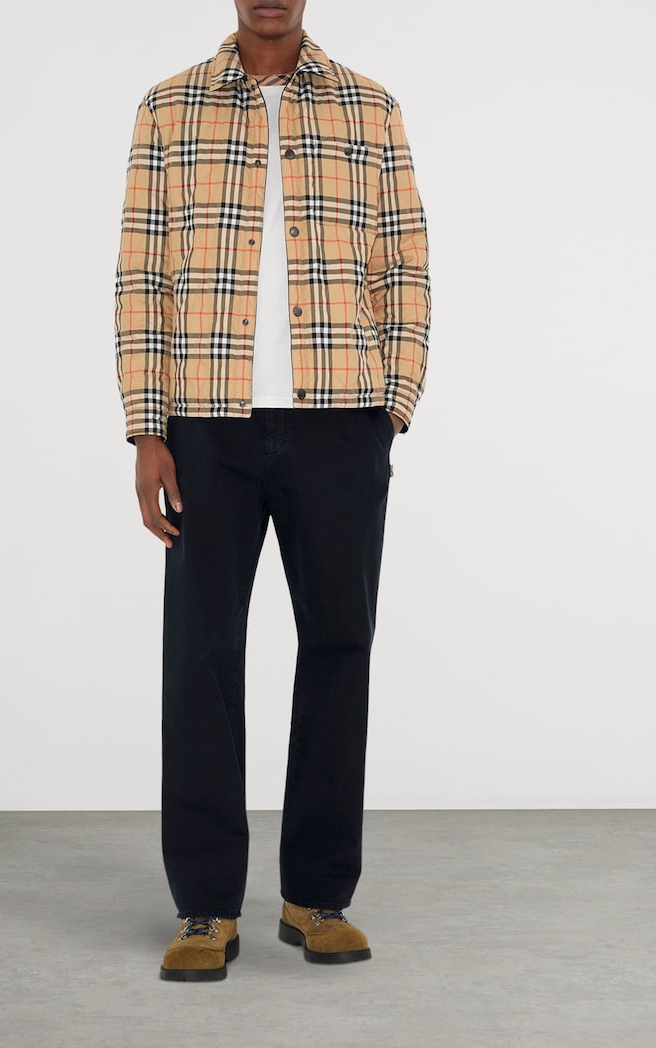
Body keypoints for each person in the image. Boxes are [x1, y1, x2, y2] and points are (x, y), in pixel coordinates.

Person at [114, 0, 431, 982]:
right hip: (206, 424)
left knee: (339, 643)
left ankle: (316, 895)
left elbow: (406, 264)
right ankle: (206, 906)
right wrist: (146, 427)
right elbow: (141, 274)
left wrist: (391, 405)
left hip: (340, 418)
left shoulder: (369, 107)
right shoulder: (169, 108)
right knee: (200, 655)